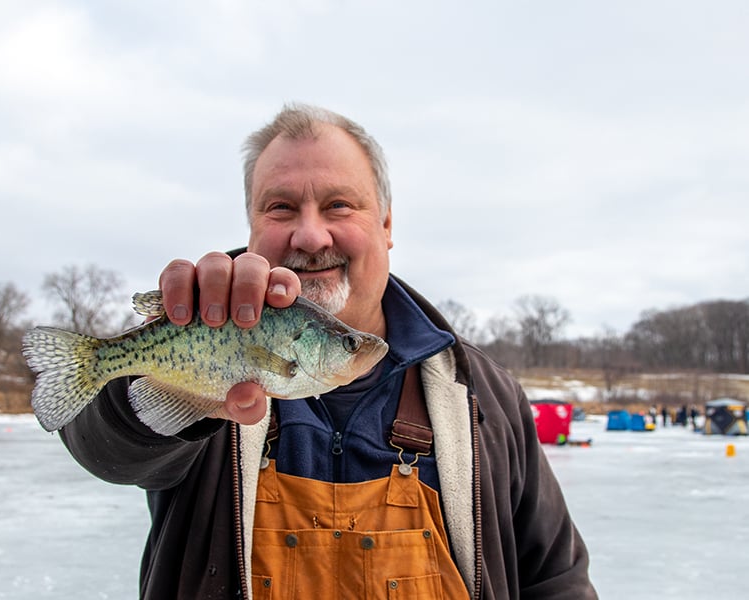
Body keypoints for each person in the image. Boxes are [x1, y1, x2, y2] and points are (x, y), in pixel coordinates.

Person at [58, 103, 597, 599]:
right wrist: (168, 390)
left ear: (386, 224)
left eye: (339, 205)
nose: (311, 236)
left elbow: (557, 580)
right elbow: (105, 449)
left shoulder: (485, 395)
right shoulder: (201, 333)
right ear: (252, 228)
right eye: (281, 207)